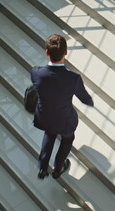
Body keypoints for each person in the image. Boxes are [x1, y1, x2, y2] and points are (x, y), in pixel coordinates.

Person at [31, 34, 94, 179]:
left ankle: (42, 167)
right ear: (66, 53)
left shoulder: (36, 73)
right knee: (67, 139)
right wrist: (91, 102)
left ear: (47, 53)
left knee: (49, 134)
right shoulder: (73, 79)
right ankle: (58, 168)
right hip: (65, 121)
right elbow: (84, 98)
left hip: (45, 118)